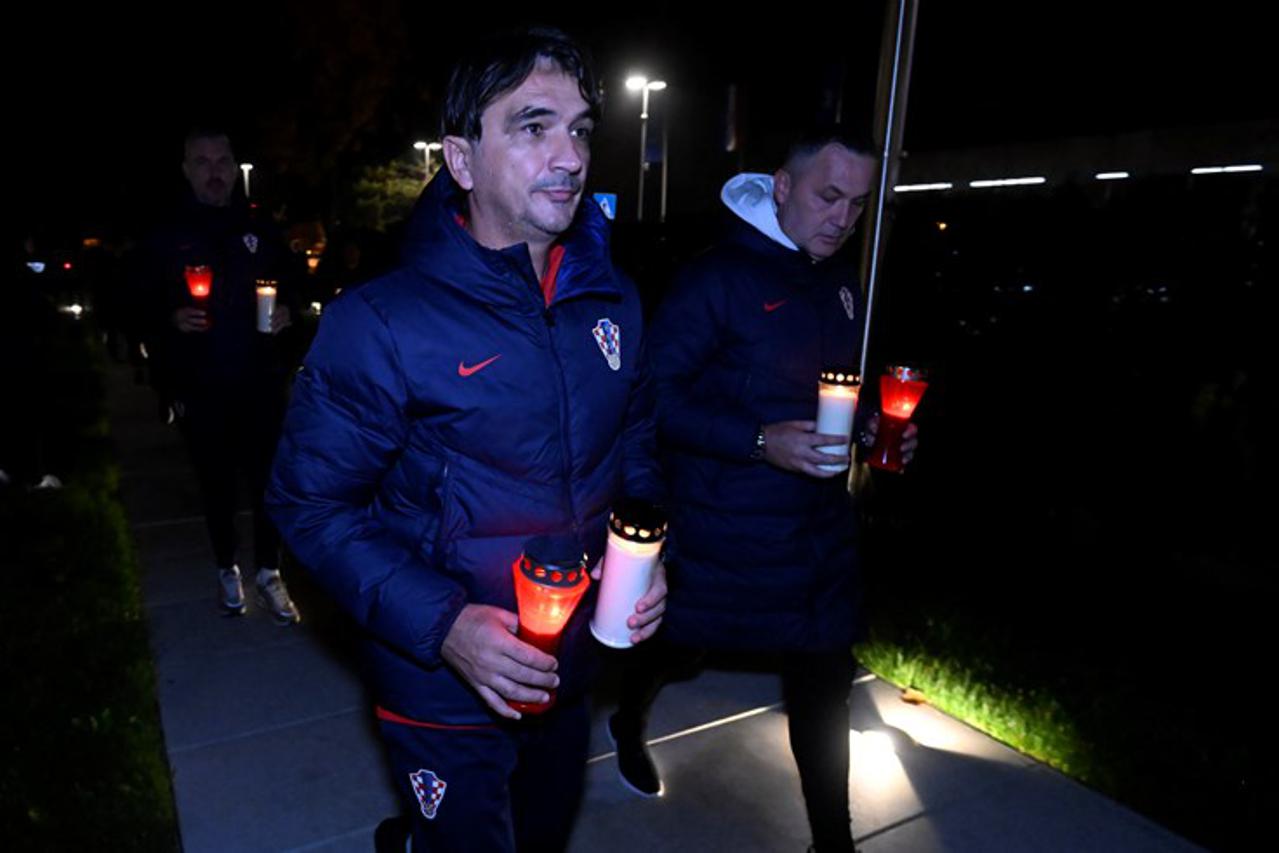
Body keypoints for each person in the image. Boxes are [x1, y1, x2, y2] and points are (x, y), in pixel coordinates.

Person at [265, 27, 666, 853]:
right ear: (461, 159)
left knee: (542, 836)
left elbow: (635, 443)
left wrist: (644, 554)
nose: (569, 156)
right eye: (532, 126)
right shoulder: (381, 320)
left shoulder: (614, 299)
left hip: (568, 661)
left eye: (579, 129)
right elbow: (309, 506)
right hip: (438, 682)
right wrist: (446, 624)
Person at [608, 126, 918, 853]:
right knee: (674, 648)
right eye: (829, 195)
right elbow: (651, 399)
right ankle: (626, 720)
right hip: (720, 531)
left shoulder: (840, 283)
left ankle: (833, 843)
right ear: (782, 186)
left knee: (823, 681)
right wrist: (758, 439)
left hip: (815, 537)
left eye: (858, 204)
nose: (843, 218)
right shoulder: (715, 278)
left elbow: (831, 396)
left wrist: (874, 429)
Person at [134, 128, 301, 624]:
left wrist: (288, 311)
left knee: (271, 482)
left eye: (222, 161)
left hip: (260, 380)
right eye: (202, 162)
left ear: (234, 167)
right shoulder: (167, 235)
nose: (214, 172)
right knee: (216, 483)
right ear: (186, 170)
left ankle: (270, 571)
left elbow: (294, 282)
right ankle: (227, 567)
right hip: (201, 382)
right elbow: (135, 301)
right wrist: (170, 318)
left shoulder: (260, 227)